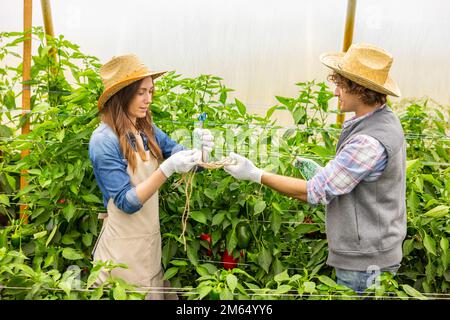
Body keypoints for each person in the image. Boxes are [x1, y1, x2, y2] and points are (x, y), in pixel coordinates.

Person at [223, 43, 407, 293]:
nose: (334, 92)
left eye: (341, 85)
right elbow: (357, 178)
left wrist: (255, 174)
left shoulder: (368, 141)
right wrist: (323, 171)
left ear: (360, 90)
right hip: (371, 252)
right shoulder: (380, 120)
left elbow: (314, 193)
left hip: (365, 262)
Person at [88, 53, 214, 299]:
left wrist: (200, 154)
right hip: (121, 253)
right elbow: (127, 202)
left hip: (147, 248)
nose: (148, 99)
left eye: (151, 91)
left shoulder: (144, 129)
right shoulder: (104, 141)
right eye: (141, 92)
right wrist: (166, 169)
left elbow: (179, 155)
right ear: (122, 95)